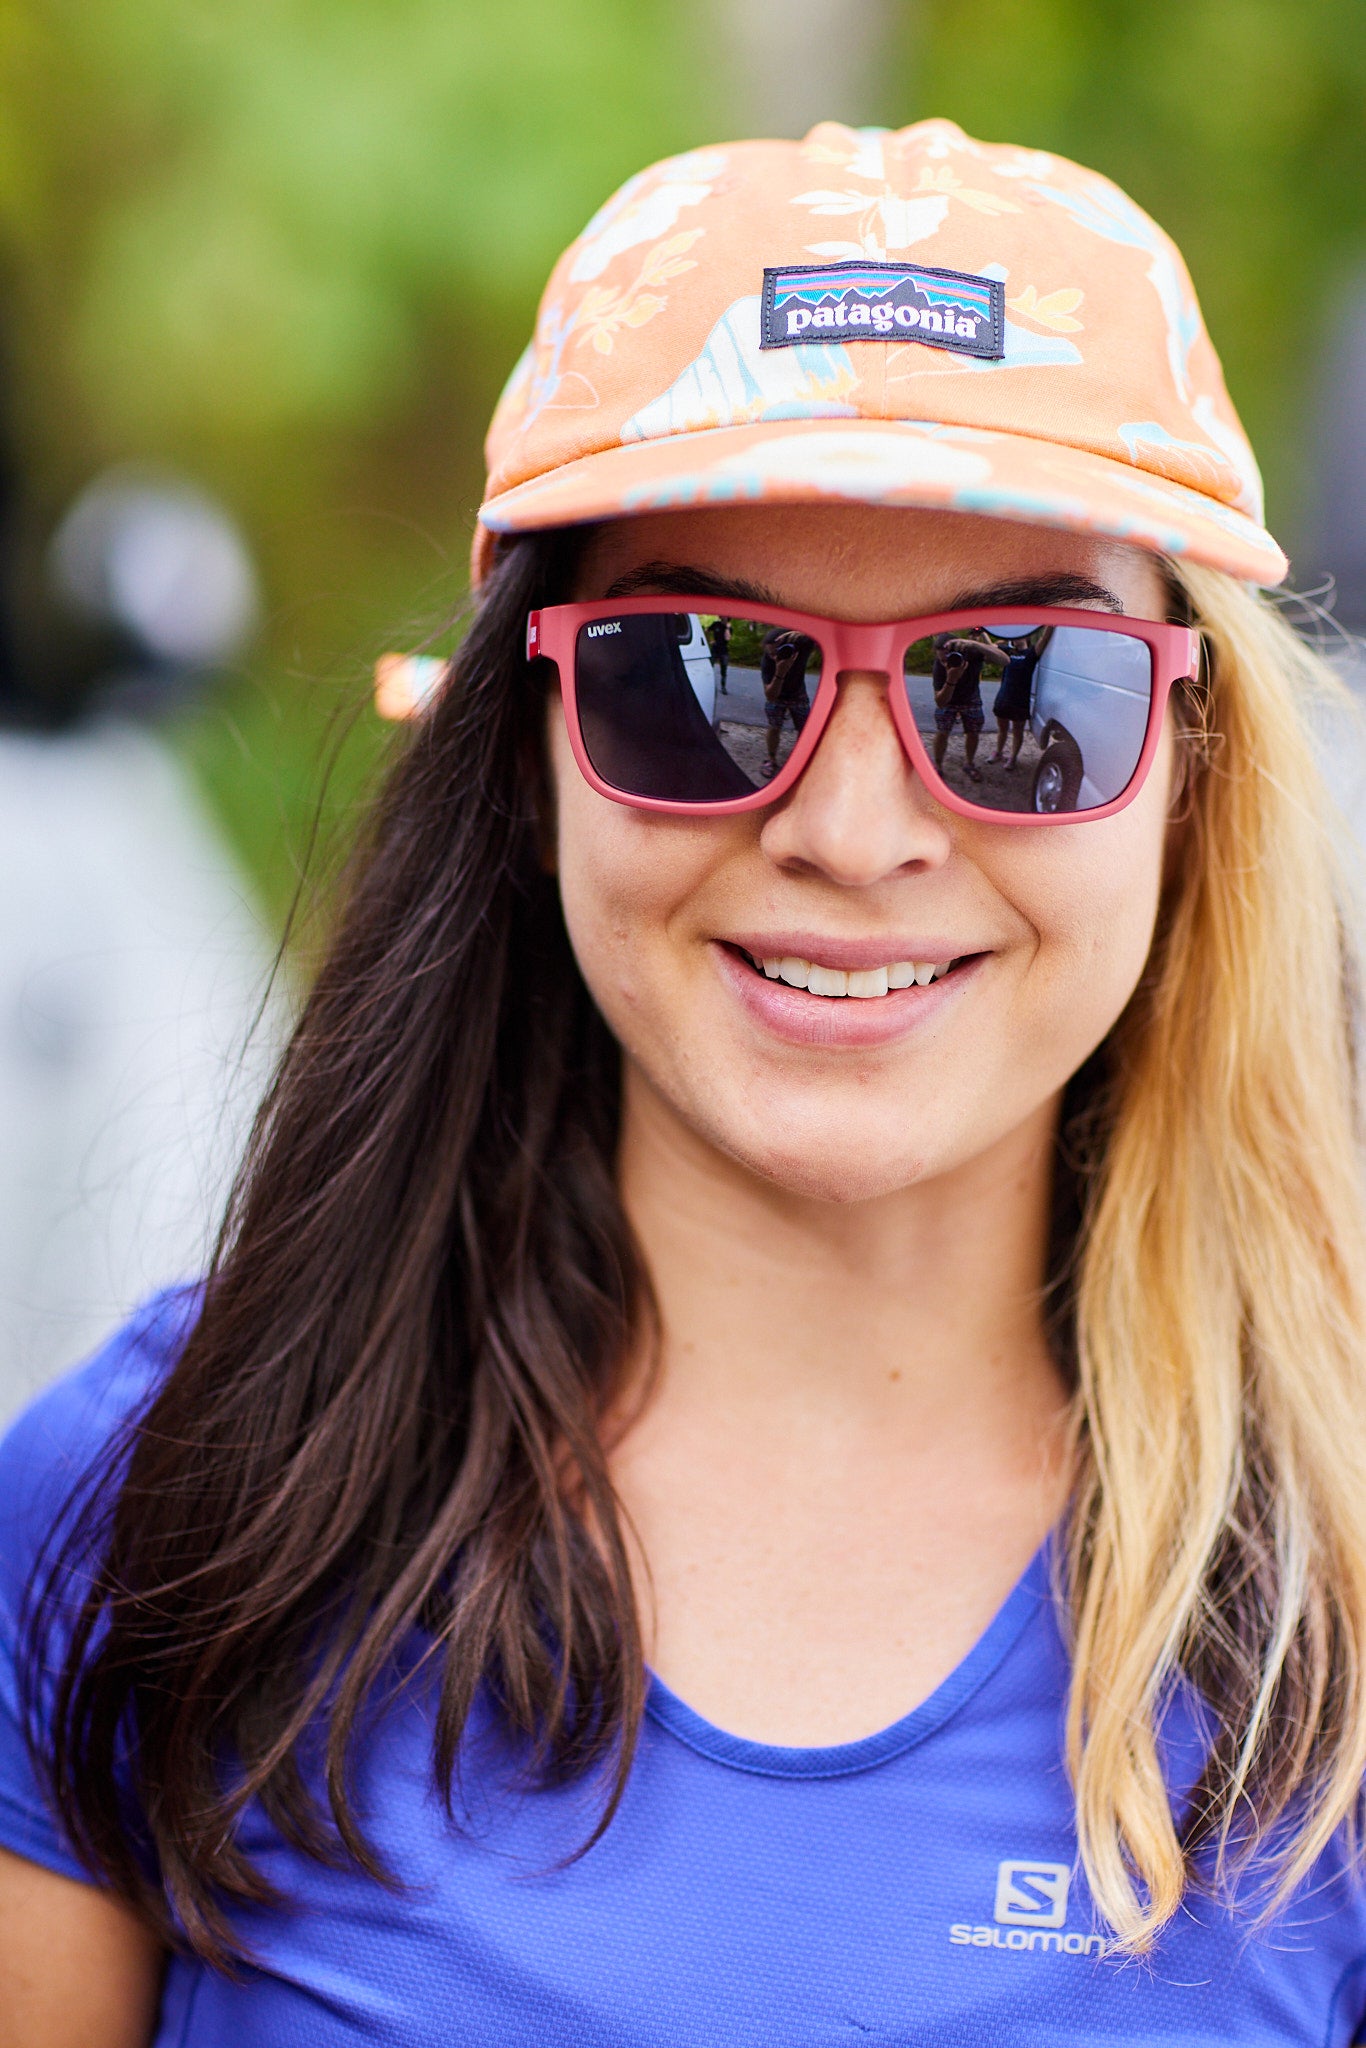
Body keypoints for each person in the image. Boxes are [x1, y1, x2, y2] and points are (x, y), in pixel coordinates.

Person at [4, 119, 1366, 2048]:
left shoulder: (1339, 1586)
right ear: (527, 746)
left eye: (1020, 693)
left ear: (1189, 772)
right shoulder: (150, 1514)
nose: (855, 826)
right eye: (702, 675)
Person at [930, 629, 991, 781]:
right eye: (942, 659)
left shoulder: (972, 653)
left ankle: (969, 764)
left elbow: (1005, 660)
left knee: (973, 732)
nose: (946, 663)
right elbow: (940, 701)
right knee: (942, 731)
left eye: (949, 658)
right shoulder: (938, 666)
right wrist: (952, 679)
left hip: (971, 699)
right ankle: (937, 766)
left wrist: (973, 643)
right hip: (949, 701)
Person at [759, 623, 815, 777]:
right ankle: (771, 759)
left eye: (777, 651)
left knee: (804, 727)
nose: (774, 657)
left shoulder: (801, 647)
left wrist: (802, 631)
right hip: (778, 696)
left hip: (798, 693)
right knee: (774, 726)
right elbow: (770, 695)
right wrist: (780, 672)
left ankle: (800, 759)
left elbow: (823, 634)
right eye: (770, 654)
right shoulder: (767, 661)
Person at [988, 635, 1042, 766]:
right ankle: (998, 752)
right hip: (1003, 697)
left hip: (1020, 701)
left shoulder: (1031, 653)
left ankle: (1013, 757)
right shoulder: (1008, 651)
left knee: (1018, 731)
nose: (1014, 639)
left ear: (1026, 637)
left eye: (1018, 636)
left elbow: (1044, 639)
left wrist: (1051, 623)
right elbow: (990, 648)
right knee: (1002, 728)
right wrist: (982, 631)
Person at [705, 612, 730, 692]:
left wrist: (727, 628)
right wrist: (709, 640)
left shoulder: (729, 628)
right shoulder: (716, 624)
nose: (723, 617)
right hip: (715, 649)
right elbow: (707, 630)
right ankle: (708, 685)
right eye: (722, 616)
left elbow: (727, 638)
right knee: (710, 667)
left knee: (724, 669)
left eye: (725, 616)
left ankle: (723, 687)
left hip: (724, 650)